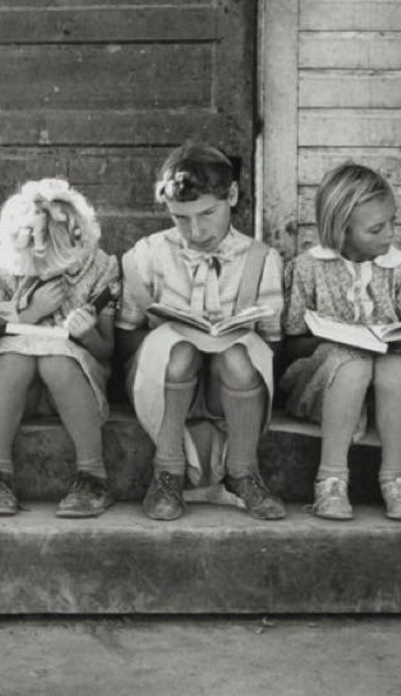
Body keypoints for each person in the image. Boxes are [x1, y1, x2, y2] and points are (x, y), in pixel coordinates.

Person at [117, 141, 286, 522]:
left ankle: (243, 471)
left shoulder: (261, 259)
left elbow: (274, 343)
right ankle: (167, 471)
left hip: (230, 390)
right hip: (162, 383)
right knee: (179, 350)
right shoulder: (147, 254)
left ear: (233, 196)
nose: (196, 229)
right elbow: (127, 336)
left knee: (238, 354)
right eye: (181, 217)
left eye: (208, 213)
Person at [281, 163, 401, 521]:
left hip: (390, 380)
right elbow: (292, 345)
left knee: (395, 365)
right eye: (376, 229)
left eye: (392, 222)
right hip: (325, 381)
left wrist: (385, 344)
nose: (389, 234)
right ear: (342, 230)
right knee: (353, 363)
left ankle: (396, 479)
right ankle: (331, 480)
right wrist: (343, 342)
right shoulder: (308, 269)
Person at [0, 179, 120, 518]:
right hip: (15, 391)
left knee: (55, 361)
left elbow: (106, 351)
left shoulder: (100, 268)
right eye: (37, 265)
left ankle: (93, 474)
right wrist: (31, 313)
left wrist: (87, 335)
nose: (49, 273)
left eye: (61, 266)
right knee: (13, 357)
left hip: (75, 385)